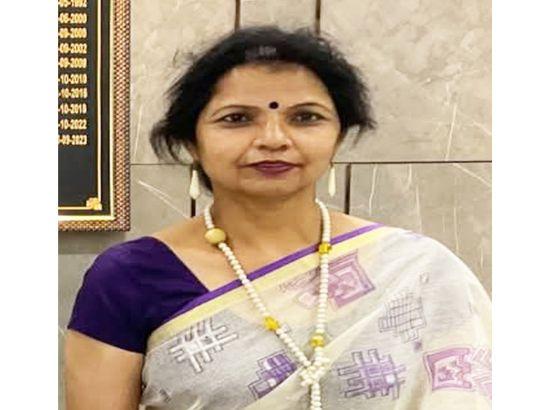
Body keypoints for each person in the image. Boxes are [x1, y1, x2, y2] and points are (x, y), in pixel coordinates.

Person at [64, 26, 491, 410]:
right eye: (237, 119)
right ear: (192, 141)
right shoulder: (130, 278)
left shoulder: (416, 271)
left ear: (338, 136)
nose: (273, 139)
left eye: (305, 117)